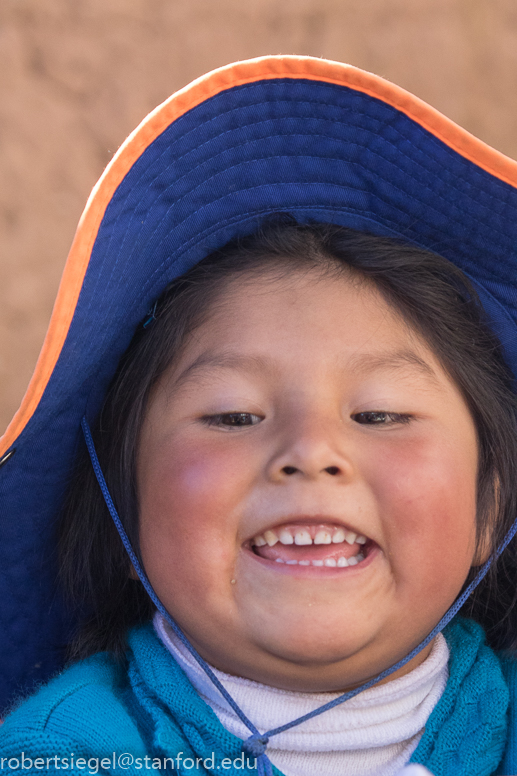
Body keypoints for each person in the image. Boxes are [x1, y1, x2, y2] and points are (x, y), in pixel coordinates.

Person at [0, 55, 517, 776]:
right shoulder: (62, 754)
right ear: (124, 506)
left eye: (379, 414)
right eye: (234, 417)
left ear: (490, 506)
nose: (310, 451)